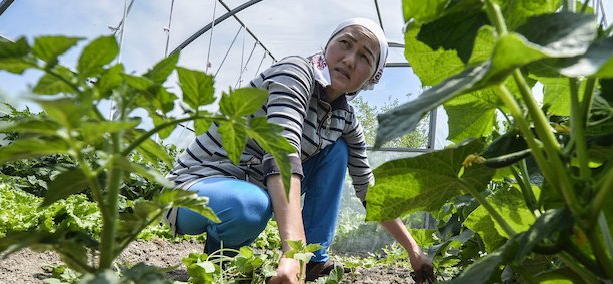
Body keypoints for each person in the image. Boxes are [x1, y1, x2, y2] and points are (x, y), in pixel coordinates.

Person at [165, 18, 435, 283]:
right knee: (250, 204)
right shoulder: (295, 72)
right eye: (345, 43)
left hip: (253, 188)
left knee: (337, 150)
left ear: (371, 78)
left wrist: (414, 250)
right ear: (327, 46)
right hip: (198, 185)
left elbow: (368, 190)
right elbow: (282, 153)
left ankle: (313, 260)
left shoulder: (346, 119)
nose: (350, 60)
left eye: (365, 57)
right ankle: (221, 258)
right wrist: (292, 251)